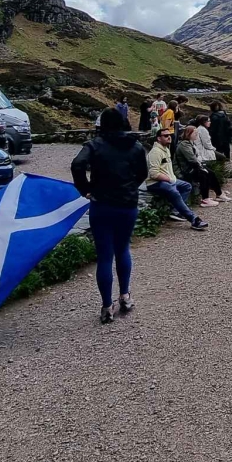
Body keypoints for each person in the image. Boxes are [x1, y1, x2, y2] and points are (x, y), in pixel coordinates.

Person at [70, 108, 148, 324]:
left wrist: (85, 189)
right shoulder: (136, 146)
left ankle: (107, 307)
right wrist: (131, 187)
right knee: (123, 249)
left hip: (102, 204)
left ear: (103, 124)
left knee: (104, 255)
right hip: (127, 205)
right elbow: (143, 172)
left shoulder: (94, 145)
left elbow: (77, 165)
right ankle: (125, 296)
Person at [146, 127, 208, 229]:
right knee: (173, 190)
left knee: (186, 186)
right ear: (158, 138)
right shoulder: (155, 152)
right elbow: (154, 174)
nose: (169, 137)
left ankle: (175, 211)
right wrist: (170, 180)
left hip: (169, 179)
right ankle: (194, 219)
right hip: (155, 183)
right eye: (165, 136)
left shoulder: (166, 149)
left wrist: (172, 179)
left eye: (169, 135)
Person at [176, 126, 223, 206]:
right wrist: (201, 167)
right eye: (195, 133)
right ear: (189, 134)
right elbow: (192, 159)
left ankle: (219, 194)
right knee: (204, 174)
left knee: (211, 173)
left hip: (191, 167)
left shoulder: (190, 143)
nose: (196, 135)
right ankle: (205, 199)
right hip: (185, 170)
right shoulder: (184, 145)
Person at [194, 116, 231, 201]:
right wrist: (213, 149)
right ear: (204, 122)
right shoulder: (202, 130)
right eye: (208, 121)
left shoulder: (201, 129)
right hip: (204, 152)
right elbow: (207, 144)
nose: (210, 122)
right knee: (221, 158)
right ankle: (218, 190)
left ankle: (218, 190)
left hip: (202, 152)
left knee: (211, 172)